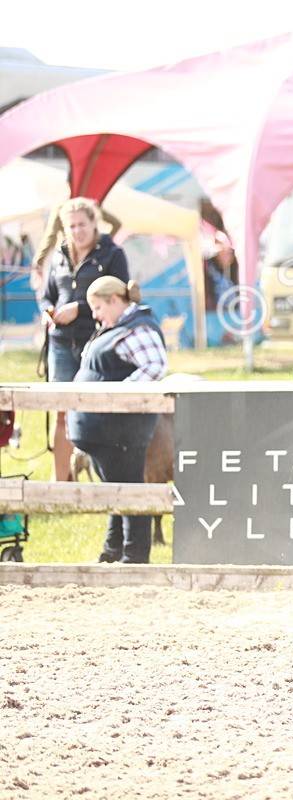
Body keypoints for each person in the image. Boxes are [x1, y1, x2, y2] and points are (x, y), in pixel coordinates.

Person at [67, 276, 167, 564]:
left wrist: (120, 395)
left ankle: (134, 556)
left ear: (114, 300)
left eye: (98, 307)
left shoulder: (136, 329)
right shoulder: (117, 328)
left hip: (121, 430)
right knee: (116, 490)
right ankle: (113, 551)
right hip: (103, 429)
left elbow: (155, 365)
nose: (96, 315)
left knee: (128, 489)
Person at [35, 198, 129, 482]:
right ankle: (60, 481)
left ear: (94, 223)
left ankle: (109, 478)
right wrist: (46, 312)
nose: (77, 231)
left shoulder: (113, 254)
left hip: (97, 344)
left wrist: (81, 309)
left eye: (82, 224)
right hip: (61, 344)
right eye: (71, 225)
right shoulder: (59, 256)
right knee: (62, 411)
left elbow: (122, 297)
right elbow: (47, 294)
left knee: (99, 412)